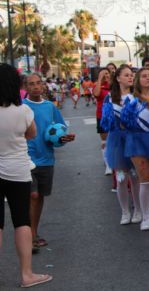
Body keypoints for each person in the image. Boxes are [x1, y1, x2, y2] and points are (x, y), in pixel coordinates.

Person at [0, 65, 53, 288]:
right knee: (21, 220)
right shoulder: (23, 111)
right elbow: (31, 134)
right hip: (18, 171)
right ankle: (26, 274)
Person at [23, 74, 75, 252]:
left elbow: (60, 130)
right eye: (31, 84)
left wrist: (65, 138)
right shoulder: (22, 107)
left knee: (40, 197)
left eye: (38, 83)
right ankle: (29, 237)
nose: (36, 87)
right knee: (33, 195)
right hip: (26, 159)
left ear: (43, 86)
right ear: (26, 87)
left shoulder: (50, 107)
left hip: (46, 158)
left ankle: (34, 232)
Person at [121, 68, 149, 231]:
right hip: (137, 140)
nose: (148, 79)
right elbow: (124, 121)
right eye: (144, 76)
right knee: (145, 179)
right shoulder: (131, 99)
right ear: (138, 80)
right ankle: (145, 216)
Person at [101, 65, 142, 225]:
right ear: (118, 78)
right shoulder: (109, 98)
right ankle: (125, 212)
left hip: (134, 139)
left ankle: (138, 209)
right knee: (121, 178)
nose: (130, 78)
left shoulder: (136, 97)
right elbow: (106, 122)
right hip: (117, 140)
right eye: (126, 75)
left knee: (136, 177)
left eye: (131, 75)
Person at [94, 67, 113, 176]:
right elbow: (96, 94)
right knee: (105, 141)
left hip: (114, 115)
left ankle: (114, 161)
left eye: (107, 73)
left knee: (114, 139)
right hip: (102, 116)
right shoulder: (98, 84)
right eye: (103, 74)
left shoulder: (113, 84)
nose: (106, 75)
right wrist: (100, 79)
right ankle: (108, 165)